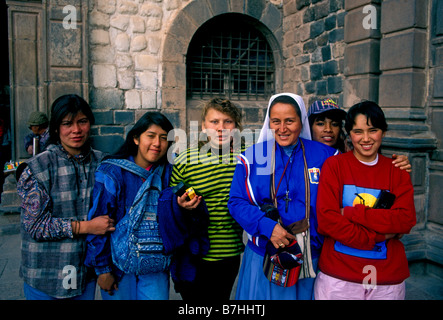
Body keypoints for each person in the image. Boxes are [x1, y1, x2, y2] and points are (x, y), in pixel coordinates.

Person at [227, 93, 337, 300]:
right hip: (265, 256)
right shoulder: (252, 157)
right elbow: (236, 202)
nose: (282, 128)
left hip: (311, 257)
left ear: (301, 121)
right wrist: (268, 227)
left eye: (290, 121)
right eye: (275, 121)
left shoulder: (327, 156)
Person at [314, 101, 416, 300]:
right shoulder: (334, 166)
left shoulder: (398, 171)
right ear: (349, 134)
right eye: (358, 131)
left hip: (386, 278)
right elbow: (327, 220)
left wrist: (351, 213)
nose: (366, 138)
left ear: (383, 132)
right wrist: (380, 235)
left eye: (373, 130)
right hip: (339, 275)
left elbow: (405, 220)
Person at [16, 94, 115, 300]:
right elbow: (35, 226)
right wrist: (86, 227)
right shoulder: (37, 167)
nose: (76, 130)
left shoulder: (103, 164)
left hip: (83, 275)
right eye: (67, 123)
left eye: (82, 122)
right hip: (44, 276)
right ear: (55, 128)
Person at [85, 112, 174, 300]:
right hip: (118, 267)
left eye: (163, 138)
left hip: (155, 265)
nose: (157, 143)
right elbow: (98, 221)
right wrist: (103, 270)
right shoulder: (112, 172)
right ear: (135, 138)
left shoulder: (169, 173)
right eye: (150, 136)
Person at [169, 98, 245, 300]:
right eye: (214, 122)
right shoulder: (185, 159)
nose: (221, 128)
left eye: (228, 122)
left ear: (236, 127)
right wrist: (179, 204)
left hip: (228, 252)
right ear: (203, 126)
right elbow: (169, 200)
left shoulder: (246, 158)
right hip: (192, 253)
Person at [308, 98, 411, 172]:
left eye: (335, 124)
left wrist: (399, 164)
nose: (328, 129)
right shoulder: (299, 157)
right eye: (320, 124)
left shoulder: (346, 158)